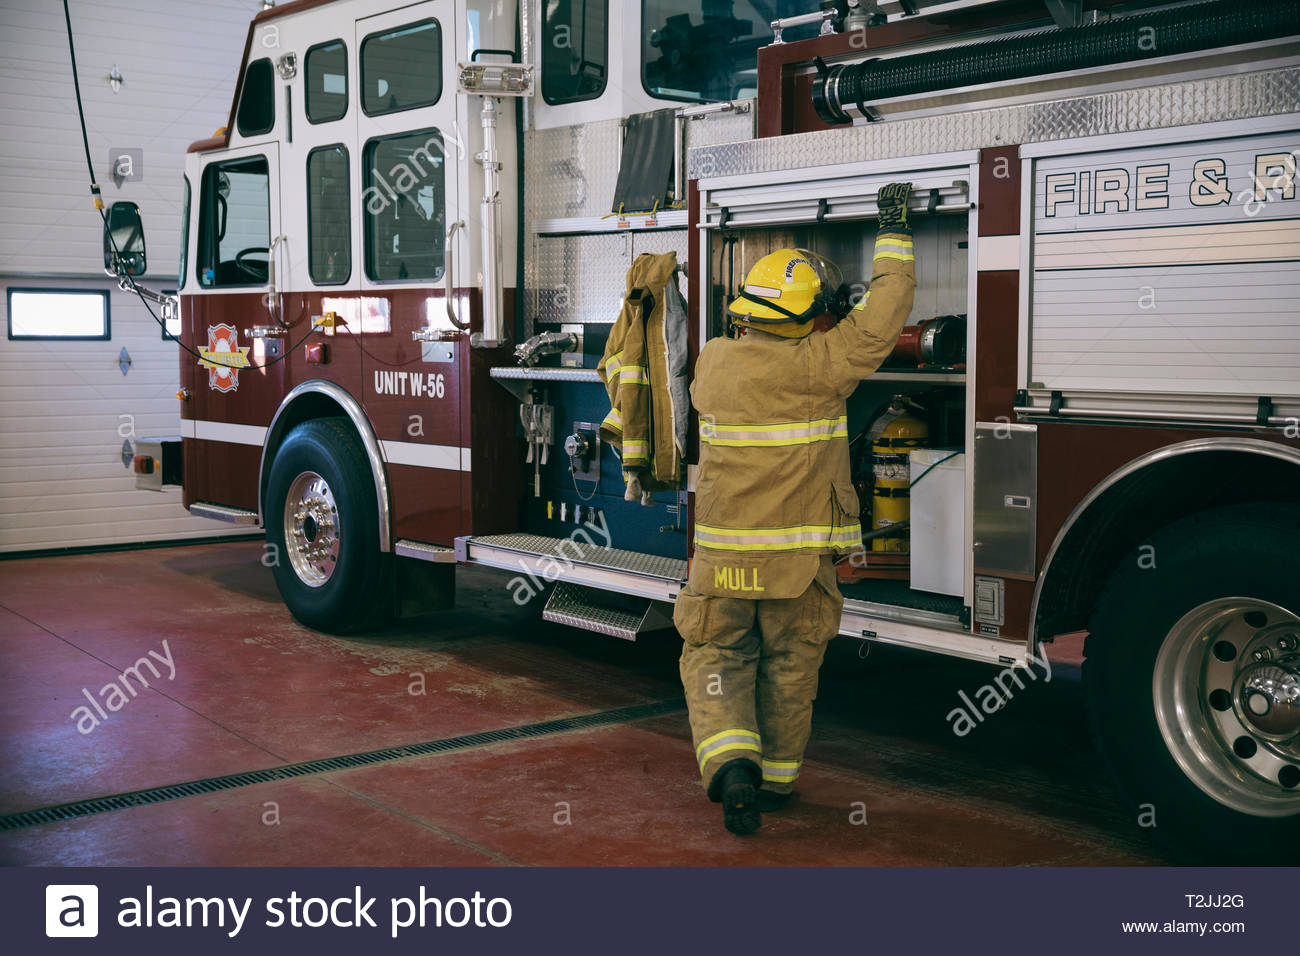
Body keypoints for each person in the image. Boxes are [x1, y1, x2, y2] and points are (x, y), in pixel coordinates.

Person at [675, 182, 917, 834]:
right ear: (812, 318)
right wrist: (894, 230)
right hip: (795, 568)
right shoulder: (824, 363)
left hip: (721, 563)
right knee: (789, 667)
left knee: (715, 657)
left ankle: (731, 768)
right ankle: (778, 786)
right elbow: (885, 312)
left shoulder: (713, 362)